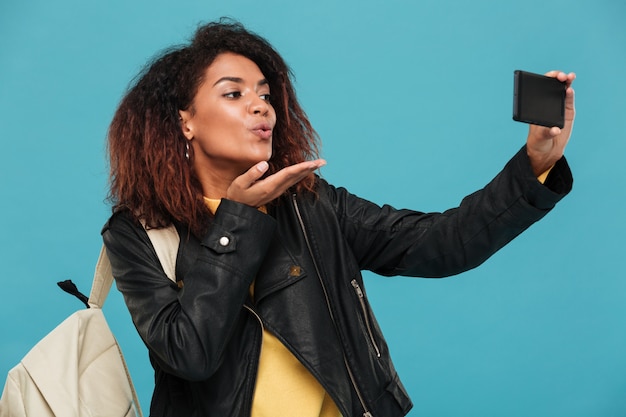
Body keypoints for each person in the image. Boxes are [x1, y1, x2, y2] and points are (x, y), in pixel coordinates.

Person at [102, 19, 575, 417]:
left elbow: (443, 243)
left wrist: (534, 165)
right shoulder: (138, 231)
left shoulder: (311, 204)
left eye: (265, 94)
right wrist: (237, 219)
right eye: (233, 94)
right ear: (186, 121)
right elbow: (189, 353)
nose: (259, 105)